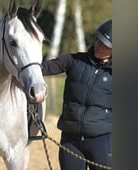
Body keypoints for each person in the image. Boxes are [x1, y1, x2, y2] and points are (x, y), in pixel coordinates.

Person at [42, 20, 112, 170]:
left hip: (102, 141)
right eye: (99, 41)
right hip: (71, 141)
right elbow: (44, 68)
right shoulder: (73, 60)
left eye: (106, 45)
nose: (100, 46)